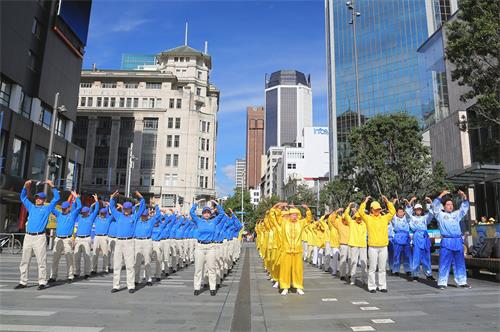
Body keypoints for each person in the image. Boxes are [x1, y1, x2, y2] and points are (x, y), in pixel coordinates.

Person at [16, 180, 60, 290]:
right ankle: (23, 281)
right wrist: (25, 187)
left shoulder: (47, 208)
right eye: (36, 197)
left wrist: (52, 186)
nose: (37, 199)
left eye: (40, 198)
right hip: (28, 236)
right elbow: (23, 198)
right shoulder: (31, 207)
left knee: (41, 260)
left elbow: (57, 198)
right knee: (24, 260)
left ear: (44, 200)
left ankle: (42, 282)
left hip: (39, 237)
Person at [270, 203, 312, 296]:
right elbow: (276, 216)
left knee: (298, 270)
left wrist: (307, 210)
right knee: (285, 270)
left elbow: (308, 219)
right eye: (292, 214)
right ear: (289, 215)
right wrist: (279, 207)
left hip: (297, 251)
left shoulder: (300, 223)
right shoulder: (284, 223)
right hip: (286, 251)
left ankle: (298, 287)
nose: (294, 216)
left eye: (296, 215)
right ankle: (285, 287)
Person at [432, 190, 471, 289]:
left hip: (457, 241)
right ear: (444, 206)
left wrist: (464, 197)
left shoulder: (456, 214)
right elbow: (434, 206)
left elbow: (464, 208)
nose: (450, 206)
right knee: (444, 262)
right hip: (447, 241)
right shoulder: (440, 215)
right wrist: (441, 194)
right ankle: (442, 282)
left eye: (451, 204)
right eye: (448, 204)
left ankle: (462, 281)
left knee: (460, 262)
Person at [109, 190, 145, 293]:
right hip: (119, 242)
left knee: (130, 265)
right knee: (117, 264)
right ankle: (116, 285)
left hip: (129, 242)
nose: (126, 210)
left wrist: (141, 198)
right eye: (125, 209)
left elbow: (142, 208)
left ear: (131, 209)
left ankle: (131, 286)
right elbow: (111, 208)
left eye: (128, 209)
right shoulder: (118, 215)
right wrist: (113, 198)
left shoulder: (134, 217)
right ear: (123, 208)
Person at [359, 195, 396, 293]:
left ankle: (382, 286)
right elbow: (361, 212)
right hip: (372, 247)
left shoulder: (384, 218)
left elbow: (393, 212)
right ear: (371, 209)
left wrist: (387, 201)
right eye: (375, 209)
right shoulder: (368, 219)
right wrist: (365, 201)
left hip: (383, 246)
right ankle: (371, 286)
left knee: (382, 268)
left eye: (379, 209)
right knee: (372, 268)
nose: (377, 211)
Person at [190, 200, 225, 296]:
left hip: (211, 246)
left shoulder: (214, 221)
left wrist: (217, 205)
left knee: (211, 268)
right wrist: (196, 203)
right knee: (198, 268)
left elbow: (222, 214)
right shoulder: (198, 221)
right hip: (200, 246)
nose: (206, 214)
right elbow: (191, 213)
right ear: (202, 214)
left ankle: (212, 287)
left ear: (210, 214)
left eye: (208, 212)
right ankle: (197, 287)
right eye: (205, 212)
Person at [48, 191, 81, 283]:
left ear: (69, 208)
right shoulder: (58, 214)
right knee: (55, 258)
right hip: (58, 238)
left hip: (67, 238)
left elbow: (79, 207)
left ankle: (70, 276)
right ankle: (53, 276)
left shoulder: (72, 214)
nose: (63, 210)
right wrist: (55, 194)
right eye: (62, 208)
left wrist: (76, 197)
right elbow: (51, 207)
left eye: (65, 208)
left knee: (69, 257)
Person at [405, 196, 435, 281]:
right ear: (414, 210)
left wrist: (430, 203)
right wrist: (410, 202)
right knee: (416, 256)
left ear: (421, 210)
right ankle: (415, 274)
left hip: (425, 237)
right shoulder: (411, 218)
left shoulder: (424, 218)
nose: (418, 210)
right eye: (417, 209)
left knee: (426, 256)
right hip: (417, 236)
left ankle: (428, 274)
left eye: (420, 209)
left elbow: (431, 214)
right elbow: (407, 214)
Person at [133, 198, 161, 286]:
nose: (144, 217)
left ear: (148, 215)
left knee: (147, 261)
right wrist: (137, 205)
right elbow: (133, 211)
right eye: (142, 215)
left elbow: (158, 215)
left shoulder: (151, 221)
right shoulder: (137, 221)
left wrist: (156, 206)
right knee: (136, 262)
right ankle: (136, 279)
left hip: (147, 241)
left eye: (145, 215)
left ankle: (149, 279)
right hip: (137, 241)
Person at [74, 194, 99, 279]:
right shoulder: (79, 217)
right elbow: (75, 209)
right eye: (83, 212)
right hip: (78, 238)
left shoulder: (91, 217)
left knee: (87, 256)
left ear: (88, 212)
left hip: (86, 238)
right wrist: (75, 199)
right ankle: (76, 272)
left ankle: (87, 273)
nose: (83, 213)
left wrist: (96, 201)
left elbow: (96, 210)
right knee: (76, 257)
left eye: (85, 212)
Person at [343, 202, 367, 286]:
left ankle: (364, 279)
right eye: (357, 218)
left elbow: (363, 213)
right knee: (353, 262)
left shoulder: (364, 224)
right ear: (355, 218)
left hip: (363, 245)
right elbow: (346, 214)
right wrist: (349, 206)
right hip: (354, 245)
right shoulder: (352, 223)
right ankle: (352, 279)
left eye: (360, 218)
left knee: (364, 263)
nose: (359, 219)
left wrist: (365, 202)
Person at [391, 204, 412, 277]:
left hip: (406, 237)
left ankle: (408, 270)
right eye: (398, 212)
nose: (400, 213)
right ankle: (395, 270)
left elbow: (409, 214)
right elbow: (392, 212)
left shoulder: (407, 218)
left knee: (407, 255)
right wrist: (393, 203)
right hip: (398, 237)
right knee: (397, 255)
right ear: (397, 213)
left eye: (401, 212)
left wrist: (409, 203)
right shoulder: (395, 219)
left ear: (404, 212)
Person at [92, 205, 113, 274]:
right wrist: (95, 203)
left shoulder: (108, 219)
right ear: (99, 213)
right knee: (95, 253)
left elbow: (113, 214)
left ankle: (105, 268)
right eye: (101, 213)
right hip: (96, 237)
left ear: (106, 213)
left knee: (105, 253)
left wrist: (110, 205)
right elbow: (93, 211)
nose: (102, 214)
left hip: (104, 237)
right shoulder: (96, 218)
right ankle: (94, 269)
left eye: (104, 213)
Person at [331, 208, 350, 281]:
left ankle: (350, 274)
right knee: (343, 260)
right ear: (342, 219)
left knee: (351, 260)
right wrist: (336, 211)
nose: (345, 220)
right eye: (344, 219)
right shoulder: (339, 224)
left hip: (351, 244)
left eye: (346, 219)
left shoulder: (351, 224)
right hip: (343, 244)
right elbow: (332, 220)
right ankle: (342, 274)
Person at [151, 209, 168, 281]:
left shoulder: (161, 226)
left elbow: (167, 220)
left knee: (158, 260)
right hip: (150, 242)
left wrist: (163, 213)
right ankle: (146, 276)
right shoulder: (151, 226)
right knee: (147, 260)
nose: (156, 222)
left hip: (158, 243)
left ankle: (158, 275)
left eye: (158, 221)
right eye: (155, 221)